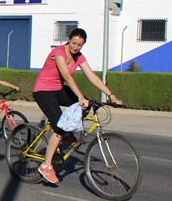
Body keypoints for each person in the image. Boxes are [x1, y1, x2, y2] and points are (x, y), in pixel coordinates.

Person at [33, 28, 122, 184]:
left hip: (58, 90)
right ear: (69, 40)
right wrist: (79, 96)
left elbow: (92, 77)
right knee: (60, 127)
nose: (75, 47)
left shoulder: (79, 57)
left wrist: (111, 95)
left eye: (79, 45)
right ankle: (46, 165)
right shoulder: (59, 52)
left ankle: (68, 133)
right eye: (73, 43)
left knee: (86, 105)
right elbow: (67, 76)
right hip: (43, 91)